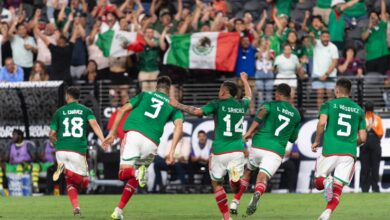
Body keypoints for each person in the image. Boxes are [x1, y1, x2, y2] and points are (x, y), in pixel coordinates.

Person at [170, 72, 252, 220]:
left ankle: (226, 217)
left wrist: (178, 105)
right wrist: (245, 80)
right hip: (237, 150)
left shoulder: (216, 104)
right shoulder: (242, 105)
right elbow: (249, 96)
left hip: (219, 150)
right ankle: (234, 179)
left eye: (220, 88)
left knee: (217, 184)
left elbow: (198, 112)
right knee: (236, 187)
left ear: (224, 91)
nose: (218, 91)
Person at [103, 76, 184, 220]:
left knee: (124, 174)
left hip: (134, 135)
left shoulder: (144, 95)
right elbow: (179, 127)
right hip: (152, 143)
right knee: (135, 178)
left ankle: (136, 173)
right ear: (169, 89)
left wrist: (113, 132)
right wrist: (171, 152)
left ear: (156, 86)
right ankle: (118, 210)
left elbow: (122, 110)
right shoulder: (173, 105)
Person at [229, 84, 301, 216]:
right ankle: (256, 194)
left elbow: (261, 114)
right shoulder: (296, 114)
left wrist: (249, 132)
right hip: (276, 151)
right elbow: (292, 138)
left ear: (278, 94)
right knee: (262, 177)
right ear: (289, 96)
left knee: (248, 171)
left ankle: (235, 201)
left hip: (259, 145)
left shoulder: (269, 105)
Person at [311, 78, 367, 220]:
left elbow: (322, 123)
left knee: (318, 183)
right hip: (348, 153)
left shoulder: (329, 104)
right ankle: (326, 213)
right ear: (350, 92)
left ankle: (325, 182)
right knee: (338, 189)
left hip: (330, 149)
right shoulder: (359, 110)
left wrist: (317, 141)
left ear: (337, 90)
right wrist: (350, 143)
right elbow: (363, 138)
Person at [49, 86, 107, 215]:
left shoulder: (59, 112)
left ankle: (76, 207)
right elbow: (95, 125)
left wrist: (56, 145)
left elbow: (51, 134)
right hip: (77, 150)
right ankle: (66, 171)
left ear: (68, 97)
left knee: (70, 182)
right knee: (83, 182)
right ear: (78, 98)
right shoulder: (86, 110)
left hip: (61, 150)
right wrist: (103, 140)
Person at [311, 31, 339, 109]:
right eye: (324, 37)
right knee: (320, 95)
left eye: (327, 37)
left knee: (330, 95)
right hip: (317, 74)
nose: (326, 38)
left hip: (330, 74)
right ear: (320, 37)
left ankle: (330, 114)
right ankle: (320, 114)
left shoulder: (333, 47)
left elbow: (334, 62)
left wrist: (326, 74)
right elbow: (312, 40)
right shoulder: (316, 44)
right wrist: (312, 36)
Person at [360, 101, 384, 193]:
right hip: (375, 143)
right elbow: (381, 134)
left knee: (364, 166)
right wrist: (374, 129)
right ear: (373, 108)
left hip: (364, 142)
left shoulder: (361, 119)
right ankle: (375, 187)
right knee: (375, 166)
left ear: (364, 109)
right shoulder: (377, 118)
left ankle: (364, 188)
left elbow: (358, 132)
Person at [362, 0, 389, 74]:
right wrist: (370, 28)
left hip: (383, 56)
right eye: (371, 17)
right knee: (372, 80)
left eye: (375, 16)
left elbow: (383, 11)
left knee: (381, 80)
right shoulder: (366, 29)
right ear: (369, 19)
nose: (373, 17)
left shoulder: (382, 26)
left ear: (378, 18)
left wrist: (382, 1)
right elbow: (363, 37)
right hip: (370, 58)